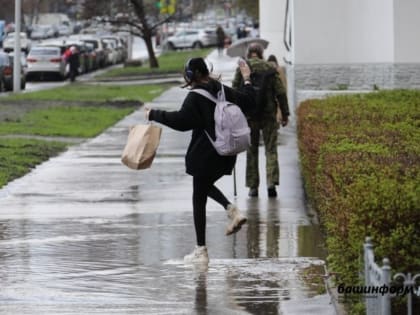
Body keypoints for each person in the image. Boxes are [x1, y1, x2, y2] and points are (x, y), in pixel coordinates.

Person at [145, 57, 256, 264]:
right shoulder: (221, 90)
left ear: (190, 75)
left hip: (206, 155)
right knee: (203, 188)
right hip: (225, 153)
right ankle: (231, 211)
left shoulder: (195, 97)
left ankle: (201, 250)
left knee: (199, 197)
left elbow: (181, 121)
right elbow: (250, 102)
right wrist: (248, 80)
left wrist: (154, 114)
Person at [232, 44, 290, 198]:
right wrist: (285, 114)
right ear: (261, 53)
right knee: (271, 150)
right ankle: (271, 184)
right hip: (269, 116)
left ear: (248, 53)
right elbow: (281, 92)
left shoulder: (242, 67)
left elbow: (234, 91)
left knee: (252, 151)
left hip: (249, 117)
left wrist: (236, 115)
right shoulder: (270, 68)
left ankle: (253, 187)